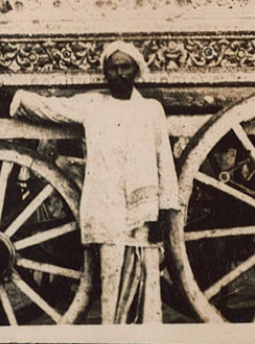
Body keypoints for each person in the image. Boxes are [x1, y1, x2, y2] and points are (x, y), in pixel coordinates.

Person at [9, 41, 179, 324]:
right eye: (113, 69)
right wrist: (9, 93)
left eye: (125, 67)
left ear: (136, 71)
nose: (119, 74)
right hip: (107, 209)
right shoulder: (93, 106)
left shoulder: (152, 110)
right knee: (111, 281)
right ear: (105, 74)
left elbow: (165, 162)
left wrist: (164, 209)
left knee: (147, 286)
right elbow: (51, 108)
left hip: (144, 214)